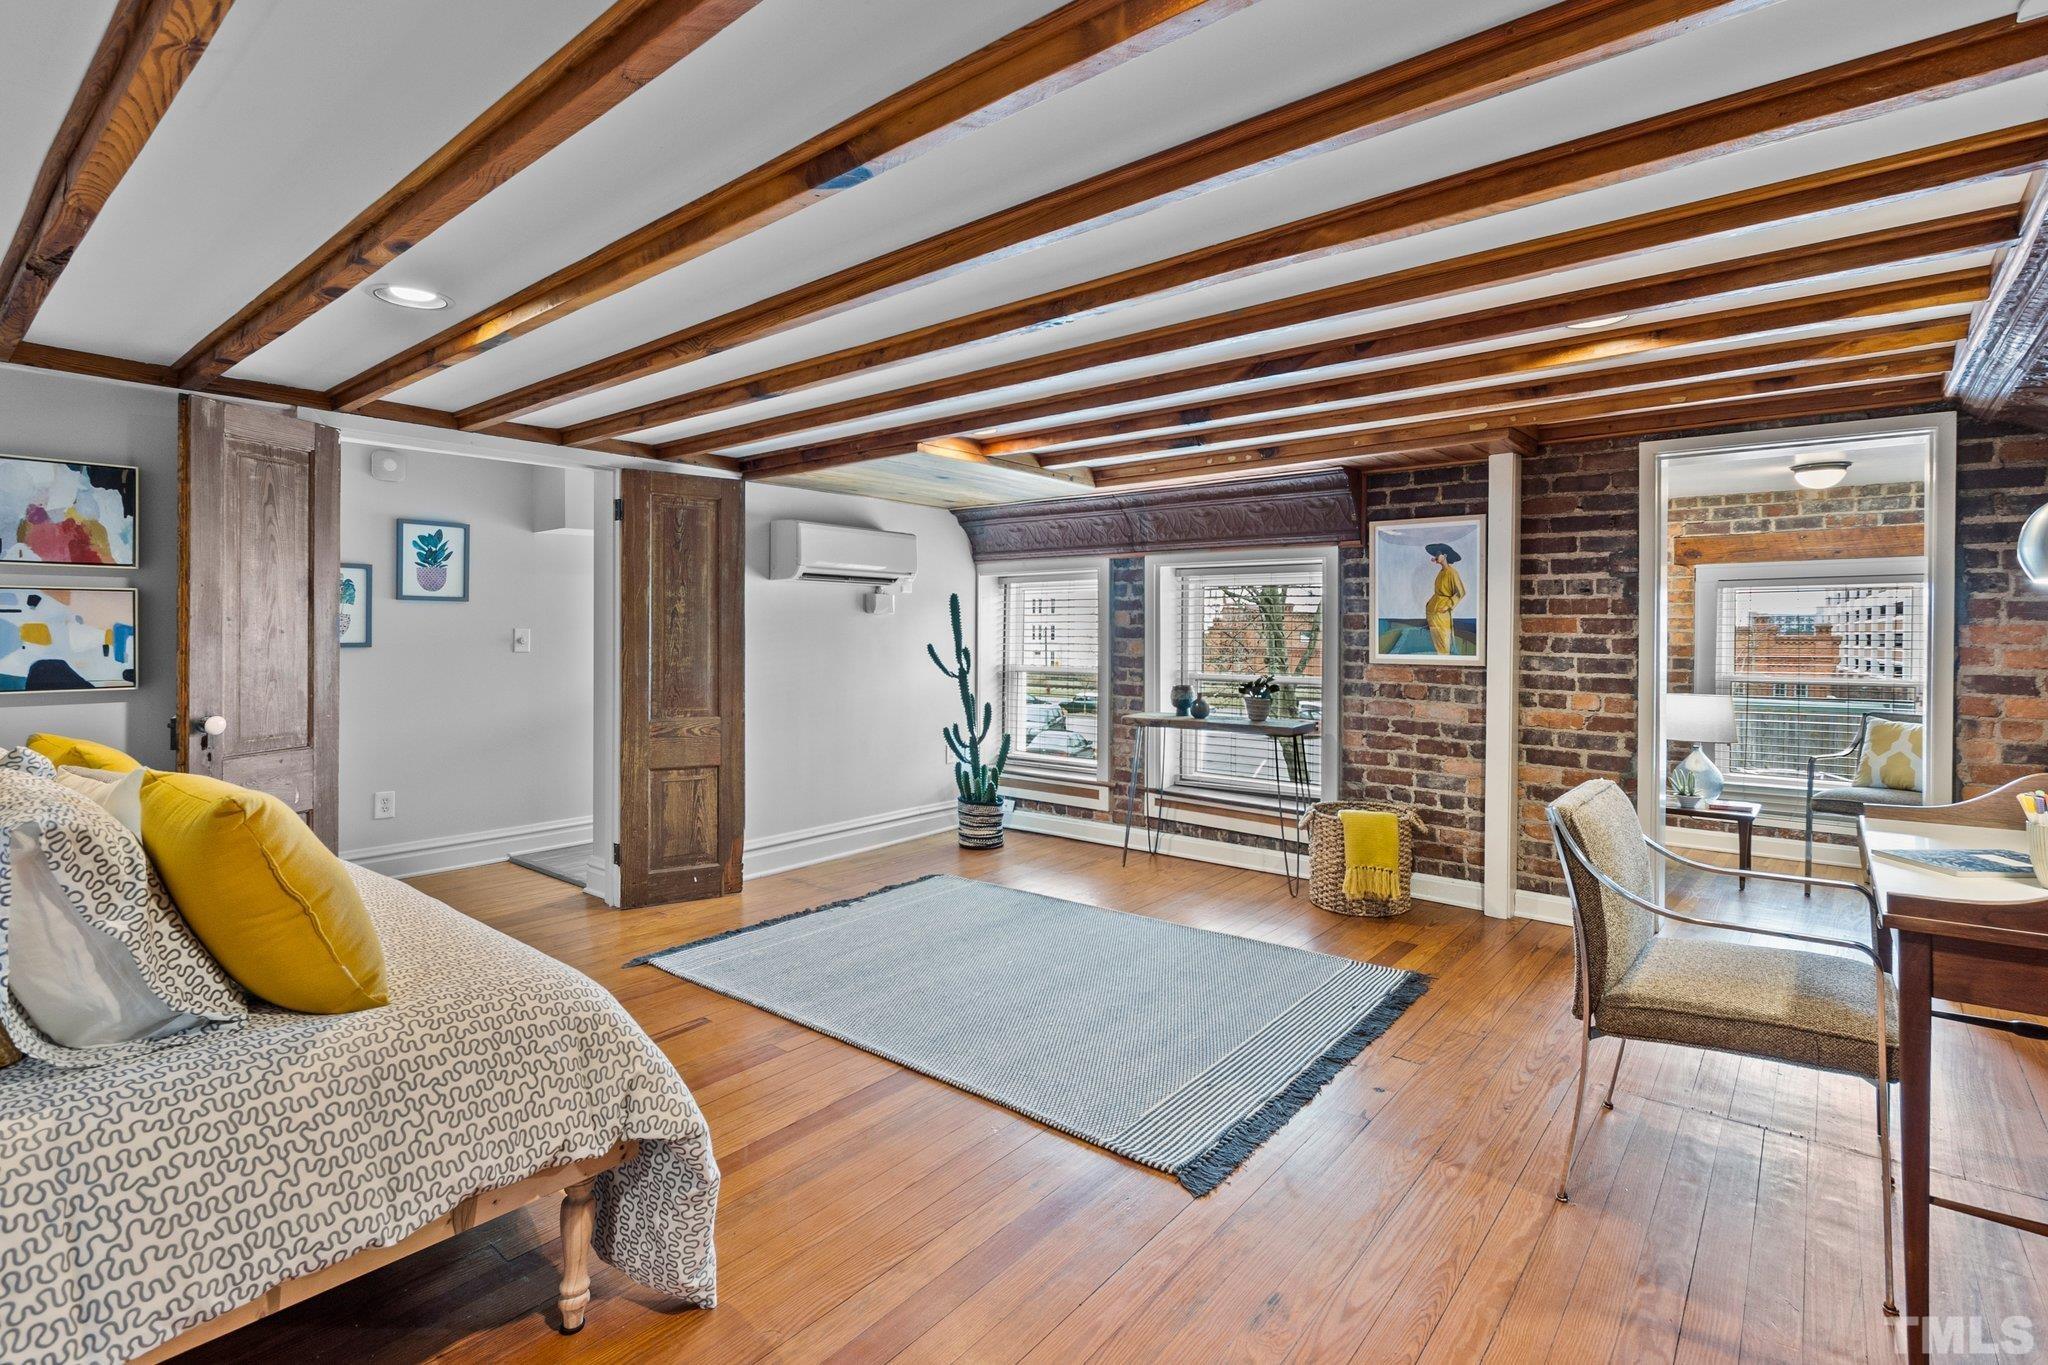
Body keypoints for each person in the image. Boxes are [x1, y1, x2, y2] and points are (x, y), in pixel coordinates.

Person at [1423, 542, 1465, 656]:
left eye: (1438, 554)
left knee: (1443, 644)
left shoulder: (1452, 573)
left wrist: (1448, 605)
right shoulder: (1441, 573)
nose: (1435, 557)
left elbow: (1461, 592)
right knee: (1437, 645)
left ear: (1445, 556)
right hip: (1433, 612)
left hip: (1442, 613)